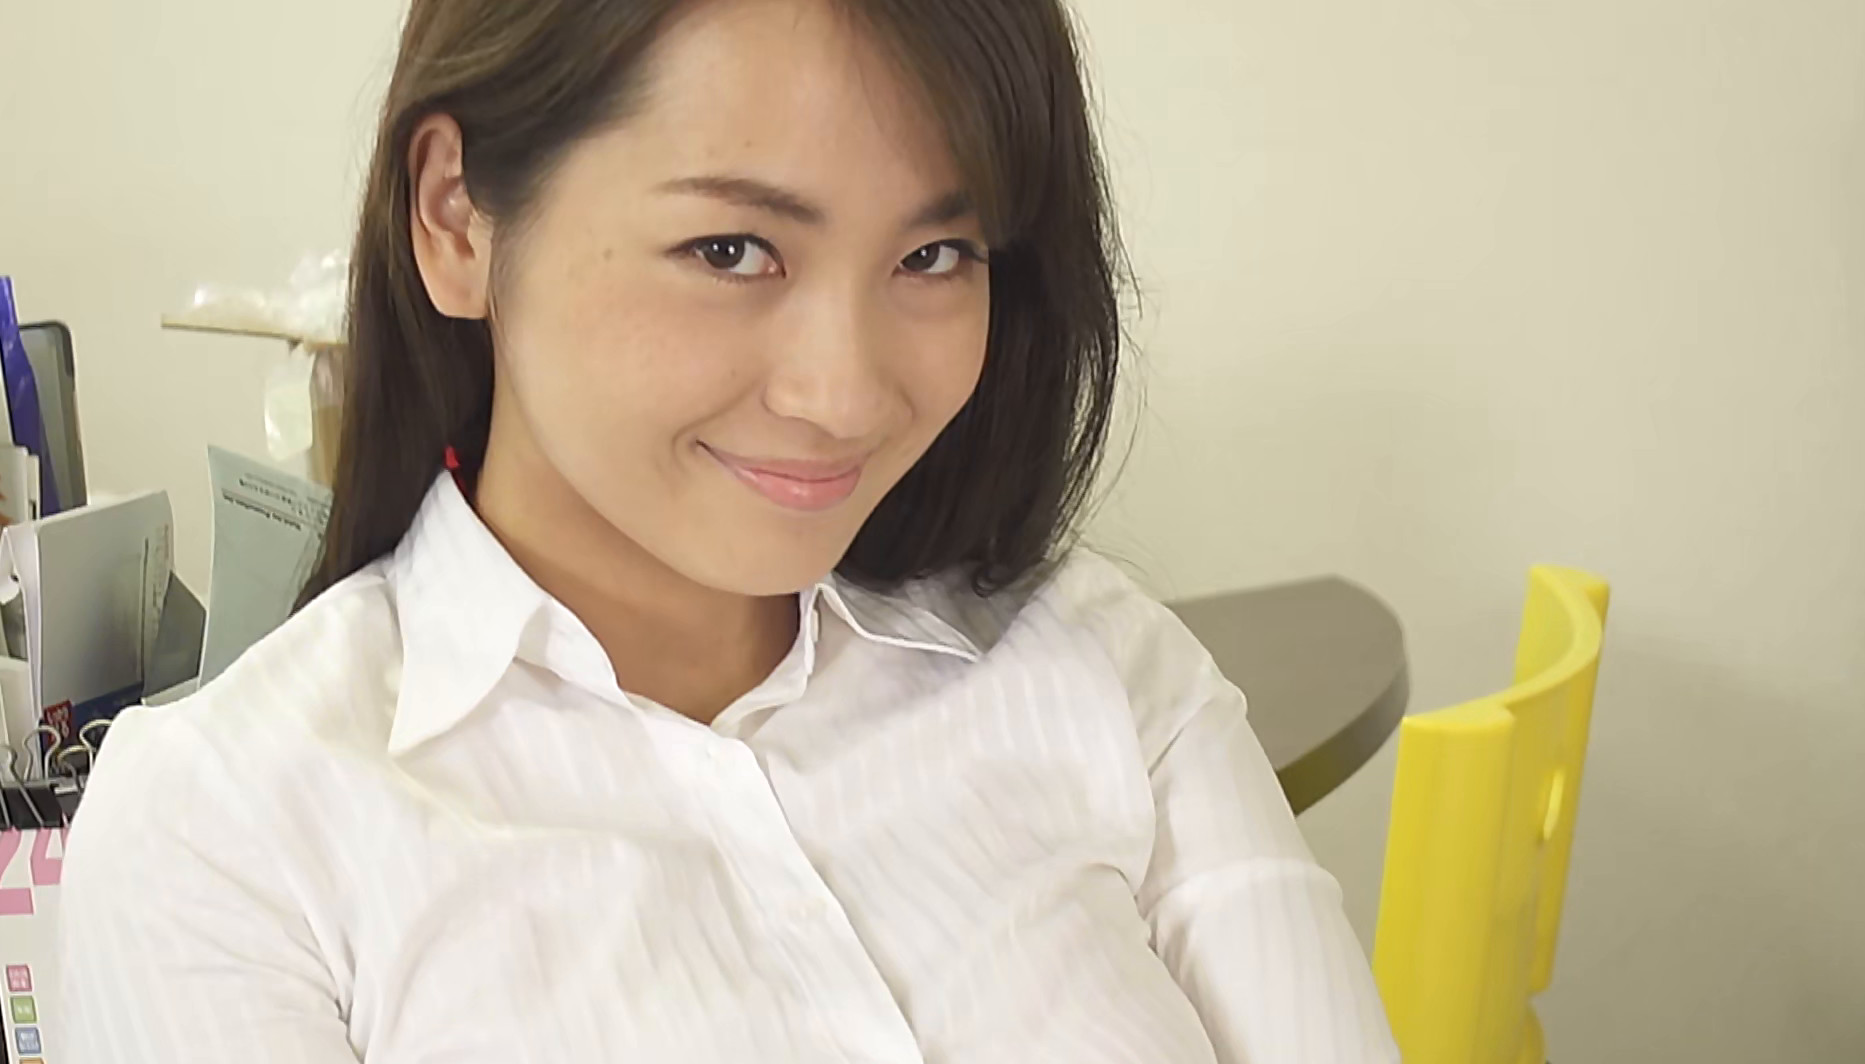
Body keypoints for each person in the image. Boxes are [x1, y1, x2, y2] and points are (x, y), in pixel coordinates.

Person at [59, 0, 1397, 1060]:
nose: (844, 394)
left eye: (934, 256)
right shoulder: (228, 830)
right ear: (457, 216)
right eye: (732, 251)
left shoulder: (1102, 666)